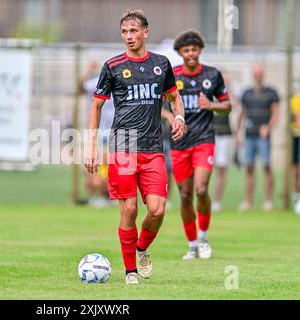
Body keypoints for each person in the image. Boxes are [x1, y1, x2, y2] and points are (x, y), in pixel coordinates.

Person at [85, 9, 185, 285]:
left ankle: (141, 248)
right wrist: (91, 144)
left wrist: (179, 117)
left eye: (133, 31)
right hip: (123, 145)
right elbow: (96, 105)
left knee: (157, 210)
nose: (129, 37)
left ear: (145, 33)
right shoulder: (113, 66)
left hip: (153, 147)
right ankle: (130, 271)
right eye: (124, 32)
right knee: (129, 210)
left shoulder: (161, 64)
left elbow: (174, 97)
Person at [170, 30, 232, 260]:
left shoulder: (212, 75)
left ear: (200, 50)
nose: (191, 53)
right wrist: (175, 119)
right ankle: (192, 244)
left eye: (194, 49)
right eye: (186, 50)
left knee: (201, 189)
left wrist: (210, 105)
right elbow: (158, 108)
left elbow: (228, 105)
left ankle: (204, 237)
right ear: (180, 53)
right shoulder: (172, 76)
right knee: (185, 195)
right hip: (179, 142)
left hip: (204, 140)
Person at [237, 65, 280, 211]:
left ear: (263, 74)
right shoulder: (246, 93)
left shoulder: (271, 92)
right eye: (256, 73)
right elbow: (242, 114)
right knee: (249, 167)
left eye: (260, 73)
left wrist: (268, 127)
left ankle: (268, 201)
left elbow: (276, 114)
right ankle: (248, 201)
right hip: (249, 135)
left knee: (267, 166)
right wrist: (238, 133)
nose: (258, 76)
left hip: (264, 137)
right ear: (253, 75)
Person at [80, 60, 114, 208]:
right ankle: (95, 196)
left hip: (112, 131)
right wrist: (89, 68)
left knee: (107, 166)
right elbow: (81, 86)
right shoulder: (95, 83)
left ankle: (105, 196)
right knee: (91, 165)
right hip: (95, 130)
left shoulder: (118, 84)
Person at [212, 72, 238, 212]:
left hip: (224, 136)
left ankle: (217, 201)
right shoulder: (210, 92)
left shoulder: (227, 95)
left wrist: (227, 90)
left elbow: (233, 104)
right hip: (210, 135)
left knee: (221, 169)